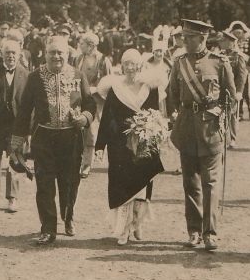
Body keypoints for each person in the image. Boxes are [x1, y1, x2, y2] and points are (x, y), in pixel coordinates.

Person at [10, 32, 96, 245]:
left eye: (60, 52)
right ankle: (48, 229)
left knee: (70, 182)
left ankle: (68, 217)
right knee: (45, 183)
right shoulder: (35, 77)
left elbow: (90, 104)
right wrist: (17, 140)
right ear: (45, 54)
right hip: (44, 137)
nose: (56, 56)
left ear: (68, 53)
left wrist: (85, 118)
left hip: (71, 137)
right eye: (52, 53)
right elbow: (24, 110)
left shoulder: (78, 75)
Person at [165, 19, 236, 251]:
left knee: (210, 183)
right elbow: (172, 95)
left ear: (202, 38)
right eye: (183, 37)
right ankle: (194, 231)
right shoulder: (179, 63)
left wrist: (221, 113)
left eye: (189, 37)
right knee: (190, 183)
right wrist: (180, 114)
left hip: (211, 129)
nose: (184, 41)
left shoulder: (219, 62)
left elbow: (231, 97)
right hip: (186, 129)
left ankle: (210, 233)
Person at [94, 49, 167, 245]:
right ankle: (124, 228)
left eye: (133, 64)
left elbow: (156, 115)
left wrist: (154, 133)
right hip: (119, 145)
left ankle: (137, 222)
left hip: (144, 143)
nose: (130, 68)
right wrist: (100, 145)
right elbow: (106, 119)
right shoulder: (115, 89)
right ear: (122, 66)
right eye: (126, 64)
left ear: (140, 66)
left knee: (142, 184)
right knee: (123, 185)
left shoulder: (150, 89)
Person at [0, 38, 30, 213]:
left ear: (19, 54)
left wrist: (27, 129)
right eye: (7, 53)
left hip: (16, 124)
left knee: (15, 157)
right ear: (1, 55)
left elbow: (29, 104)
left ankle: (12, 197)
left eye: (13, 53)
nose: (10, 56)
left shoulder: (27, 74)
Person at [71, 31, 113, 178]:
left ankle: (87, 164)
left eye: (82, 43)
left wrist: (96, 89)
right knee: (78, 128)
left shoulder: (103, 61)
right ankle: (78, 160)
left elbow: (109, 81)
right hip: (80, 99)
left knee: (91, 131)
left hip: (97, 100)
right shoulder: (78, 59)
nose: (80, 46)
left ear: (90, 46)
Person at [216, 29, 248, 150]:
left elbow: (241, 75)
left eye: (223, 41)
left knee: (232, 115)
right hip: (220, 90)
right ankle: (221, 137)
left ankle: (232, 138)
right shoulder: (220, 54)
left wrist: (239, 91)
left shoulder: (237, 56)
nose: (221, 43)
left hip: (232, 90)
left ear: (230, 42)